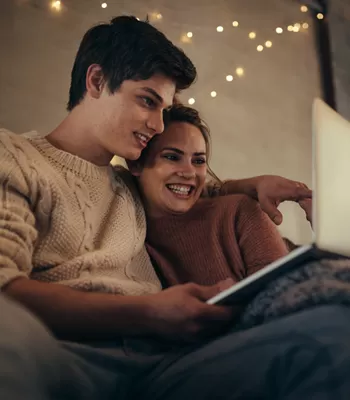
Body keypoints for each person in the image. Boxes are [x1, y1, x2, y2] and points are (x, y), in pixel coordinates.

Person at [2, 15, 348, 400]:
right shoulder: (15, 158)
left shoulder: (129, 181)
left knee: (332, 330)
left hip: (167, 364)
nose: (156, 123)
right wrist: (148, 313)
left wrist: (252, 185)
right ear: (96, 81)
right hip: (68, 357)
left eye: (164, 109)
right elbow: (5, 288)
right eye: (148, 101)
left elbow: (189, 185)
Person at [129, 104, 289, 287]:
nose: (189, 173)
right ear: (136, 164)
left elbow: (283, 293)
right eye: (172, 157)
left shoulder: (239, 212)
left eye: (198, 161)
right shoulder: (123, 230)